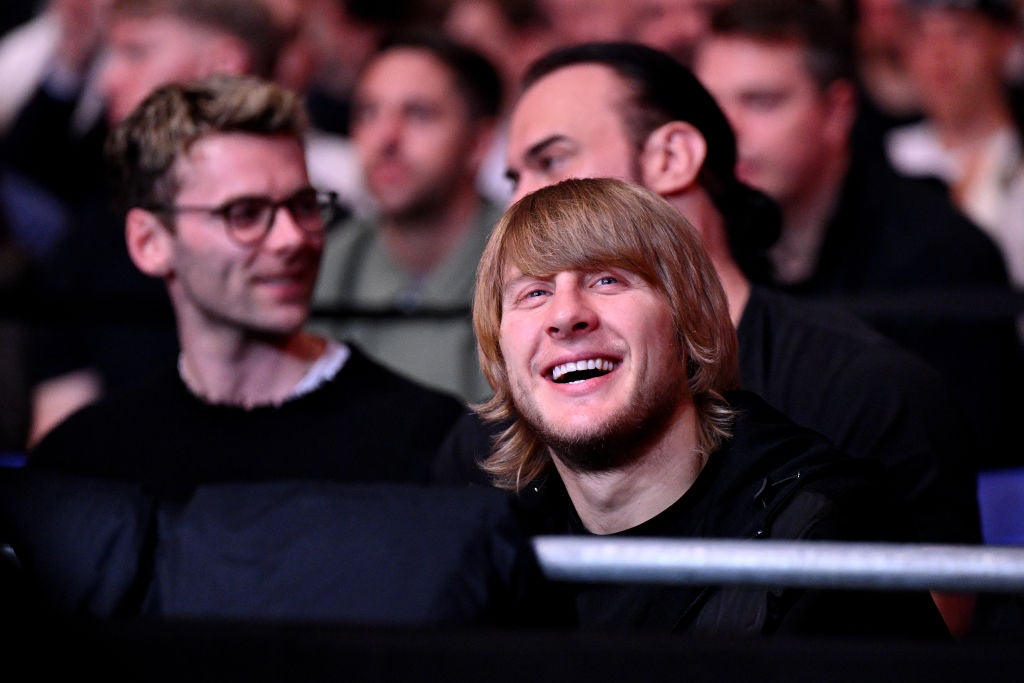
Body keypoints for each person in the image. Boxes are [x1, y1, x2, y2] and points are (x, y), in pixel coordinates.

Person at [432, 40, 981, 635]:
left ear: (673, 155)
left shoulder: (862, 406)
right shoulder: (482, 462)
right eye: (533, 292)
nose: (523, 201)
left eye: (551, 162)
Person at [464, 175, 947, 638]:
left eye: (608, 281)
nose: (566, 316)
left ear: (687, 318)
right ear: (501, 353)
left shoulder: (821, 534)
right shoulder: (487, 551)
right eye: (535, 293)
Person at [27, 74, 465, 495]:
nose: (292, 238)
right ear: (150, 242)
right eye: (245, 214)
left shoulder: (431, 440)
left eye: (304, 205)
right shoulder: (87, 461)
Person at [692, 0, 1024, 471]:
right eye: (709, 105)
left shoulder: (943, 252)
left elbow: (979, 471)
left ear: (837, 110)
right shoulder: (696, 244)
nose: (725, 131)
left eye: (761, 101)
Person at [310, 31, 503, 403]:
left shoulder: (527, 262)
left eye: (418, 113)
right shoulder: (321, 265)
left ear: (479, 142)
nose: (386, 137)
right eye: (368, 112)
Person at [886, 0, 1024, 311]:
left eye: (961, 34)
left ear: (1005, 41)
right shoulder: (883, 159)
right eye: (921, 35)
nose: (939, 55)